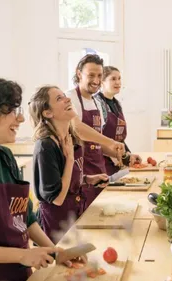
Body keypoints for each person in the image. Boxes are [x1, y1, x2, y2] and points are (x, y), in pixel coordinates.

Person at [0, 77, 82, 281]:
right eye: (11, 111)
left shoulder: (4, 156)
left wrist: (55, 250)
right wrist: (24, 255)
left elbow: (25, 217)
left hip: (18, 273)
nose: (20, 120)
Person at [29, 85, 109, 244]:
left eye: (64, 95)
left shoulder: (71, 136)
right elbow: (57, 198)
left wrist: (86, 179)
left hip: (75, 214)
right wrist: (70, 158)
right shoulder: (46, 146)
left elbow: (65, 176)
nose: (67, 99)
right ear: (48, 113)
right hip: (55, 225)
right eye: (59, 99)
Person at [66, 54, 119, 210]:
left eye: (99, 76)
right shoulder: (69, 98)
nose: (96, 80)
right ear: (78, 73)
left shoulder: (98, 102)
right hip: (81, 176)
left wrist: (120, 154)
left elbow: (95, 143)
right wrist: (111, 142)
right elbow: (78, 129)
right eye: (91, 75)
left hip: (99, 175)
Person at [94, 66, 142, 175]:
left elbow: (119, 139)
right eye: (113, 79)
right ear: (102, 82)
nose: (118, 82)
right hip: (102, 164)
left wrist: (129, 155)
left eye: (119, 78)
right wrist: (122, 156)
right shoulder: (97, 103)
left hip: (117, 162)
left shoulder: (117, 104)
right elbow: (95, 139)